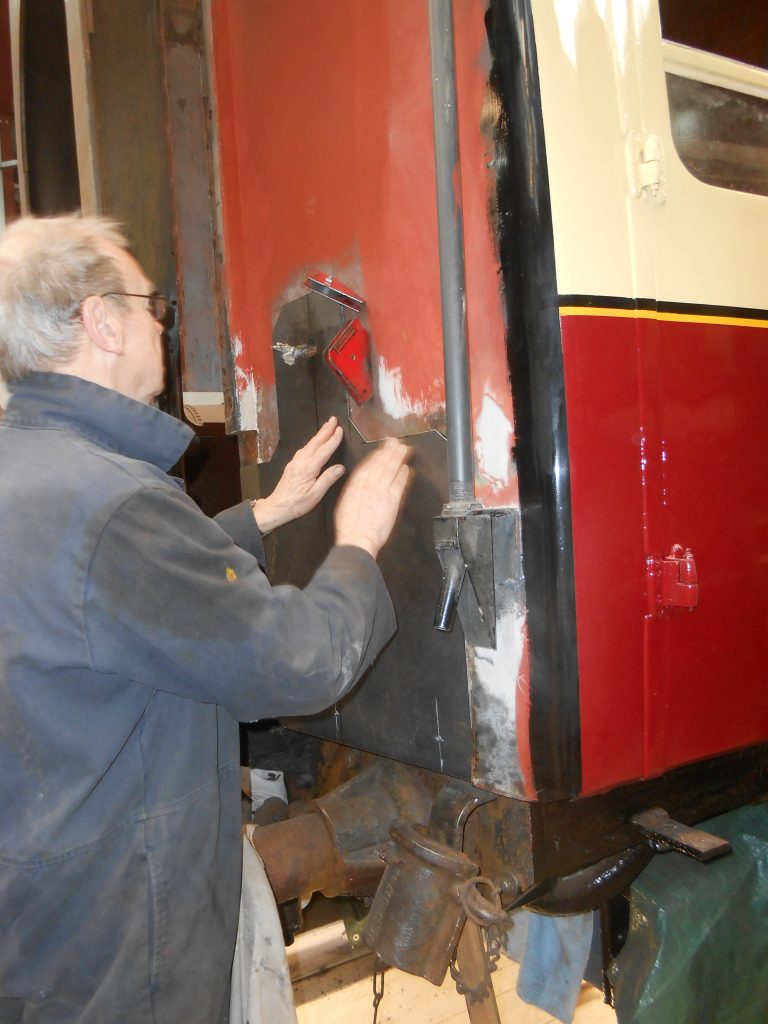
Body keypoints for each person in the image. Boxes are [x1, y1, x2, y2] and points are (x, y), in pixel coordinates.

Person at [0, 215, 411, 1024]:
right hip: (124, 950)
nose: (162, 322)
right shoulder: (115, 503)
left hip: (40, 922)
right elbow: (300, 661)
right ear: (101, 321)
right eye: (150, 304)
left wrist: (263, 516)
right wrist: (357, 545)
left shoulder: (33, 473)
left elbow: (104, 599)